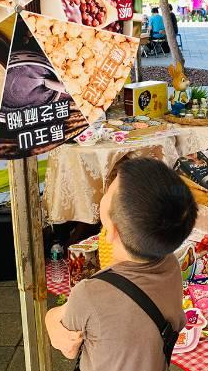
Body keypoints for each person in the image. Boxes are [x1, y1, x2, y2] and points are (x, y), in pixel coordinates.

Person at [45, 158, 197, 371]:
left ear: (112, 230)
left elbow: (68, 348)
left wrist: (49, 317)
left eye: (108, 193)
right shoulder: (170, 264)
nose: (104, 192)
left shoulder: (90, 293)